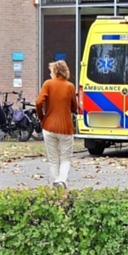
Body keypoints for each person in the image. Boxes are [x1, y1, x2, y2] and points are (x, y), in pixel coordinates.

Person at [36, 60, 79, 189]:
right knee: (66, 158)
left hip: (48, 127)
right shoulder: (70, 86)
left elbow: (38, 102)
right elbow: (74, 107)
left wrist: (42, 117)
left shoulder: (48, 84)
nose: (50, 73)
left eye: (51, 71)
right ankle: (61, 180)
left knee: (53, 159)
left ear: (55, 71)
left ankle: (57, 184)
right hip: (65, 127)